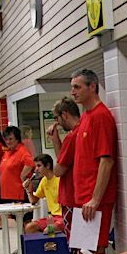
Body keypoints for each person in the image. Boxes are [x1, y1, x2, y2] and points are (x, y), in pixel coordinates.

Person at [70, 69, 119, 254]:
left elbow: (106, 161)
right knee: (85, 252)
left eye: (77, 87)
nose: (73, 92)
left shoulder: (101, 116)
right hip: (82, 199)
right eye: (72, 87)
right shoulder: (86, 117)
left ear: (92, 87)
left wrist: (95, 199)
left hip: (94, 201)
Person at [46, 97, 82, 236]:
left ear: (65, 114)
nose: (57, 123)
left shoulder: (72, 137)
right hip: (81, 195)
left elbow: (59, 170)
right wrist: (56, 140)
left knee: (74, 239)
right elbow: (64, 159)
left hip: (71, 197)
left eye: (57, 118)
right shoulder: (83, 131)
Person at [24, 154, 62, 233]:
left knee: (48, 230)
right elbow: (33, 201)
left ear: (47, 165)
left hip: (63, 216)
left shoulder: (59, 179)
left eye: (39, 166)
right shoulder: (44, 180)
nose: (36, 170)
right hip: (52, 217)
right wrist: (29, 190)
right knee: (29, 227)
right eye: (36, 166)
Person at [0, 126, 34, 204]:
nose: (8, 142)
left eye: (10, 139)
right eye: (6, 139)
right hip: (5, 194)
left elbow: (30, 163)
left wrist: (22, 176)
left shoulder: (22, 151)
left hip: (18, 194)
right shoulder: (7, 153)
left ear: (17, 139)